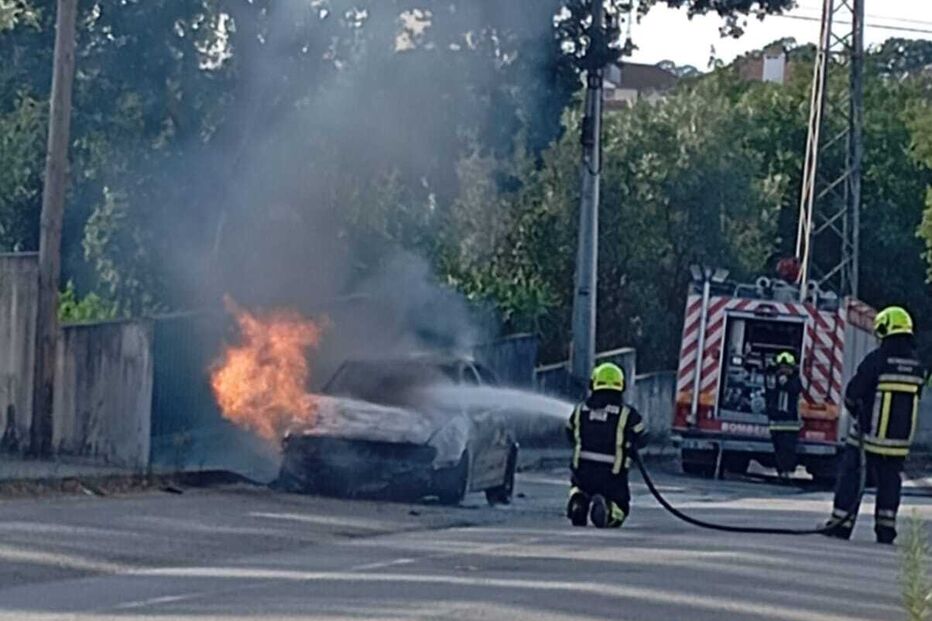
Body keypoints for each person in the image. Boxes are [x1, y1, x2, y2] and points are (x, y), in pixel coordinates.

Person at [824, 306, 926, 544]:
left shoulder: (877, 360)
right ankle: (886, 530)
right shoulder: (917, 366)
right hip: (898, 444)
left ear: (884, 329)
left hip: (867, 439)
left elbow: (852, 393)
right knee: (890, 485)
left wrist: (859, 413)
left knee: (851, 478)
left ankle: (841, 525)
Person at [566, 363, 647, 528]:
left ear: (593, 384)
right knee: (621, 506)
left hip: (583, 472)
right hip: (612, 476)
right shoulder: (627, 414)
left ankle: (578, 503)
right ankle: (609, 512)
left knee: (579, 488)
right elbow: (643, 437)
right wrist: (631, 445)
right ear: (621, 386)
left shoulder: (580, 410)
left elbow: (569, 433)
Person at [764, 351, 802, 479]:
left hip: (790, 424)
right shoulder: (773, 379)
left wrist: (785, 382)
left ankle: (785, 471)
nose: (784, 370)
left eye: (787, 367)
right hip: (775, 423)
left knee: (787, 450)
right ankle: (781, 471)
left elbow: (795, 389)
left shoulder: (795, 380)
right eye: (782, 367)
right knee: (778, 449)